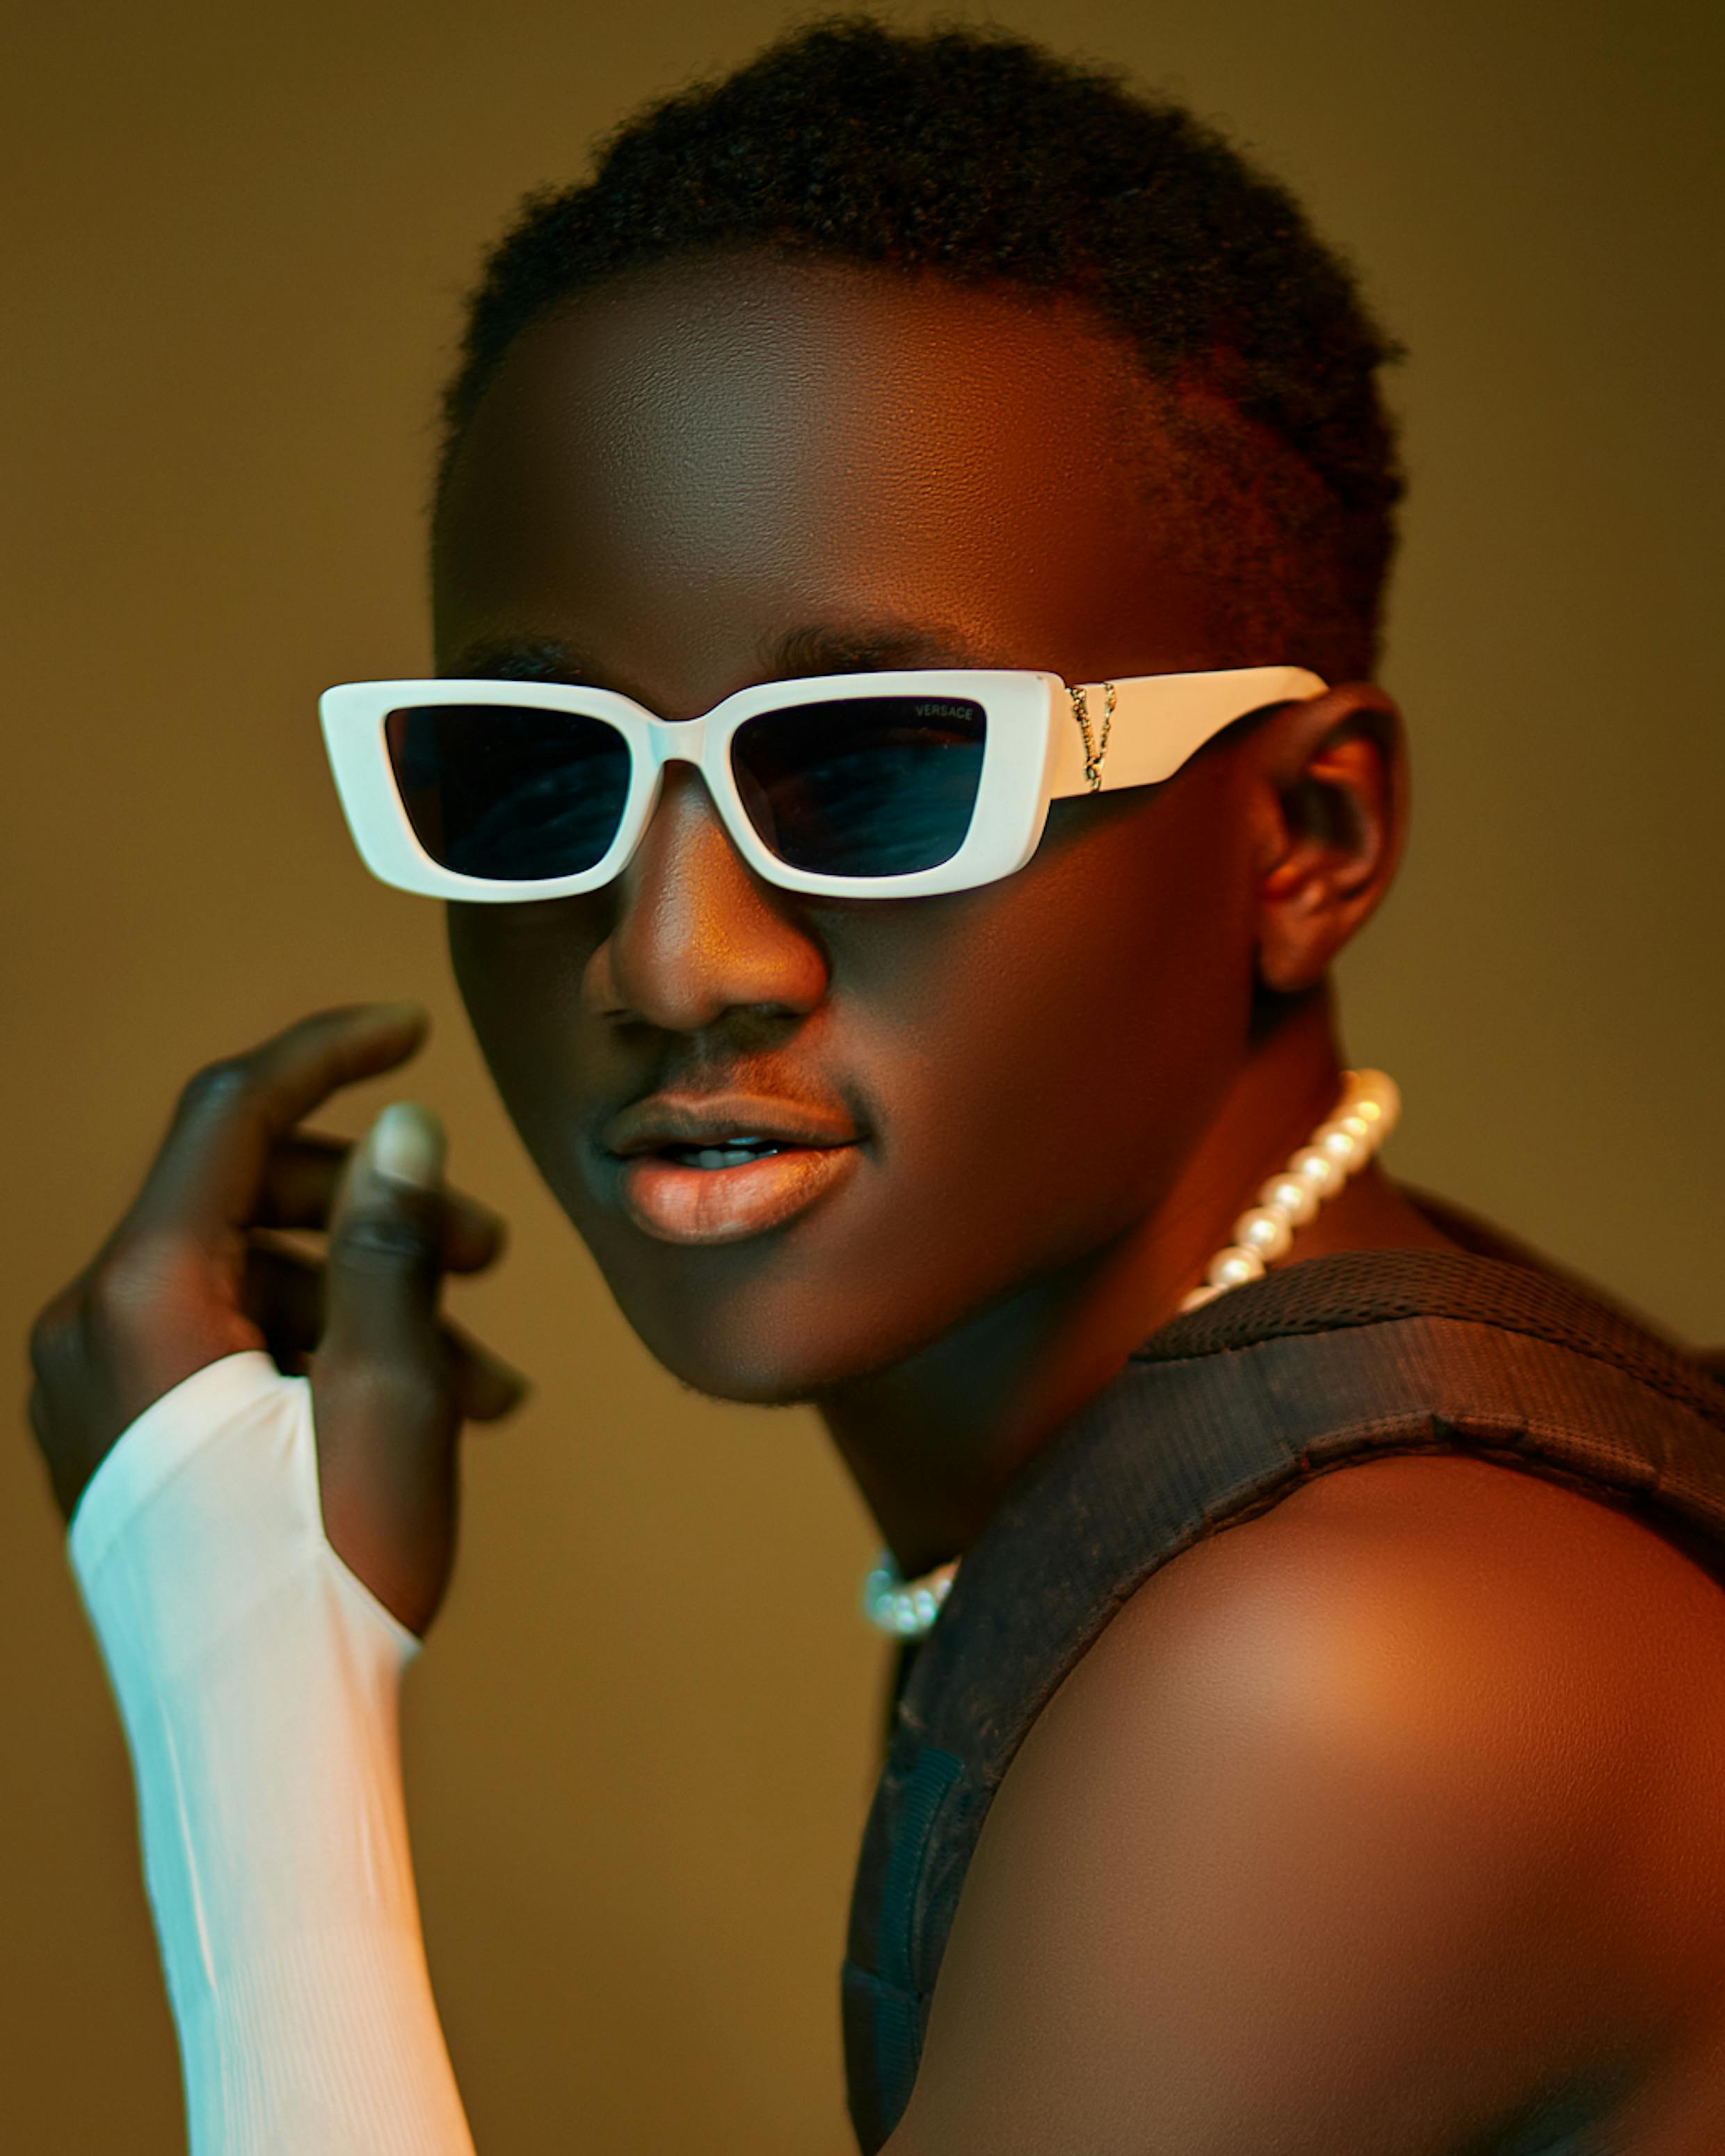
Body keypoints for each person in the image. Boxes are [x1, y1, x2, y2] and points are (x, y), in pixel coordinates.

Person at [26, 17, 1725, 2153]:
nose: (671, 960)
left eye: (876, 768)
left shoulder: (1345, 1671)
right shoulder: (1192, 1512)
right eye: (538, 777)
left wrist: (248, 1692)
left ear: (1308, 837)